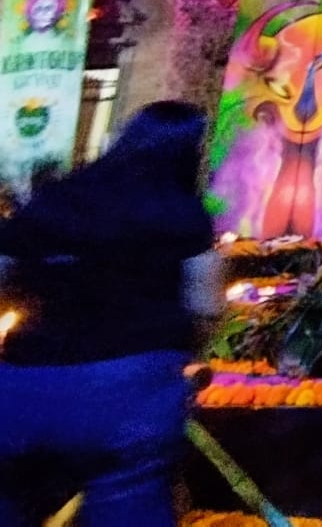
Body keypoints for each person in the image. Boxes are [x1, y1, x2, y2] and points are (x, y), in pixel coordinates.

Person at [0, 100, 226, 527]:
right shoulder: (181, 214)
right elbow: (206, 305)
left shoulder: (56, 198)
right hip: (131, 397)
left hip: (24, 388)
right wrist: (186, 357)